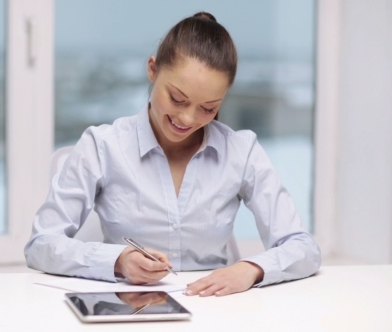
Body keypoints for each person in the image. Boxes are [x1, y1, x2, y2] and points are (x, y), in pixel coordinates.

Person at [24, 12, 321, 297]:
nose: (188, 119)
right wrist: (119, 260)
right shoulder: (103, 146)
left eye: (208, 108)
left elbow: (302, 247)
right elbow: (41, 244)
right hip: (131, 309)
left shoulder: (242, 152)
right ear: (152, 69)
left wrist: (251, 269)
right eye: (177, 99)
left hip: (217, 308)